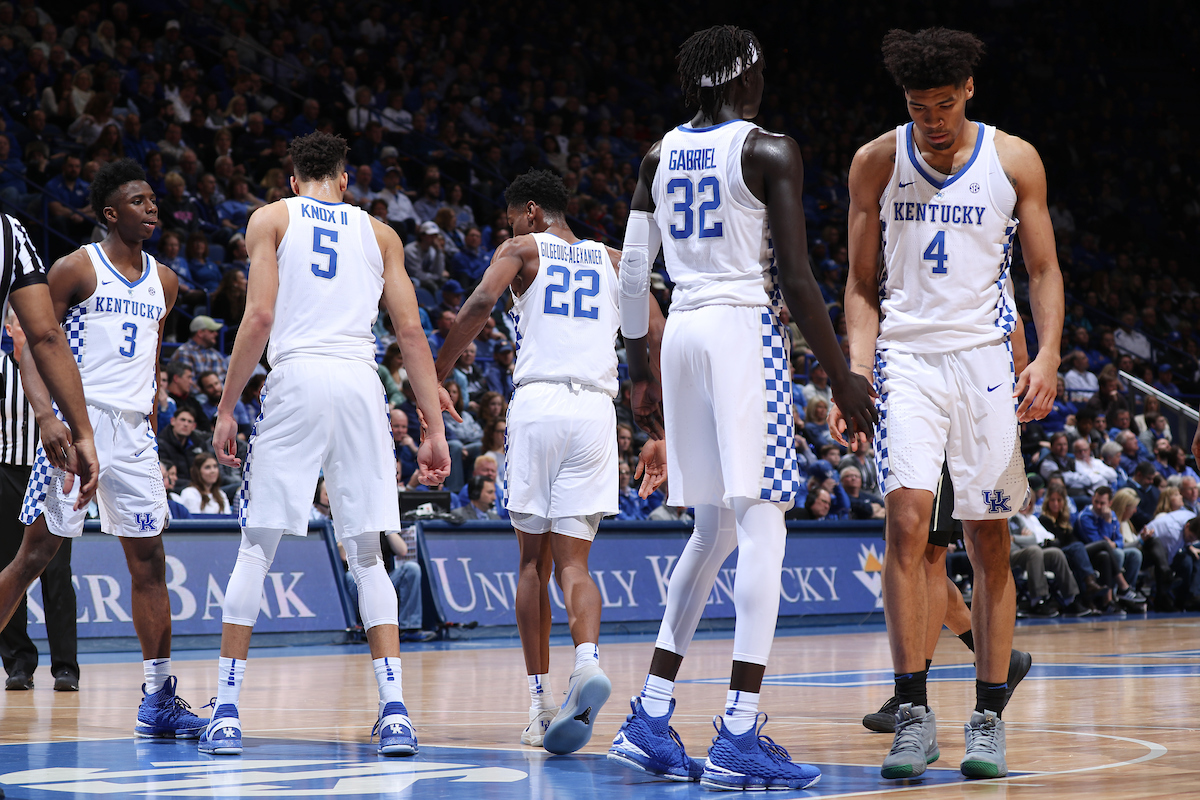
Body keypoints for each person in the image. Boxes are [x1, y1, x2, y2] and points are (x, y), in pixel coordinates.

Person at [609, 26, 876, 790]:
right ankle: (736, 732)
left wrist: (637, 365)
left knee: (712, 527)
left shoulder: (657, 152)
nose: (765, 79)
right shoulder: (769, 149)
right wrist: (841, 377)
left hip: (681, 335)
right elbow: (794, 277)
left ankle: (651, 715)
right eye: (759, 68)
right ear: (739, 77)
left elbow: (633, 273)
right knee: (763, 524)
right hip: (737, 325)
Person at [834, 28, 1063, 779]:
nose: (931, 119)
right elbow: (861, 284)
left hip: (986, 361)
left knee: (986, 540)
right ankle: (912, 713)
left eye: (942, 103)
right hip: (906, 357)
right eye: (916, 106)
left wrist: (1049, 355)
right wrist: (856, 369)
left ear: (968, 89)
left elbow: (1041, 268)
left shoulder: (1014, 157)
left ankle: (988, 716)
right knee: (906, 524)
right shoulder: (875, 161)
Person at [200, 132, 451, 758]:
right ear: (346, 180)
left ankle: (227, 711)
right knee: (367, 553)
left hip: (297, 377)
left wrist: (228, 406)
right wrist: (434, 425)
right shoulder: (381, 233)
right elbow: (412, 331)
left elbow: (258, 317)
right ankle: (394, 711)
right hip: (361, 384)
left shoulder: (271, 218)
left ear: (293, 180)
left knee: (257, 547)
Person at [0, 158, 202, 738]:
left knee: (150, 561)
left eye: (153, 200)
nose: (152, 208)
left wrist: (154, 420)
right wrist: (49, 417)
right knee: (33, 557)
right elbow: (30, 340)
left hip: (135, 432)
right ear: (111, 214)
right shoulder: (75, 268)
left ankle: (158, 697)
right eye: (139, 202)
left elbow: (154, 360)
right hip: (78, 424)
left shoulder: (166, 281)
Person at [433, 169, 622, 756]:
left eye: (512, 218)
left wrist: (432, 375)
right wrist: (660, 426)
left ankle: (540, 706)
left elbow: (482, 301)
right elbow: (653, 335)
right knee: (575, 566)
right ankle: (586, 662)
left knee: (531, 566)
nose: (507, 229)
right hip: (596, 410)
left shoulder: (520, 249)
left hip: (539, 404)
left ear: (532, 212)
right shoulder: (615, 259)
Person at [0, 311, 79, 692]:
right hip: (5, 471)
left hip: (51, 472)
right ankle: (18, 664)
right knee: (7, 567)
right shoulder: (0, 368)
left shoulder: (62, 369)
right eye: (20, 320)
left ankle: (66, 667)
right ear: (9, 328)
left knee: (57, 571)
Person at [169, 315, 228, 384]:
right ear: (200, 333)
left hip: (219, 393)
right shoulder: (184, 352)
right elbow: (186, 383)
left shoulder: (216, 355)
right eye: (211, 331)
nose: (216, 334)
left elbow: (225, 379)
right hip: (194, 395)